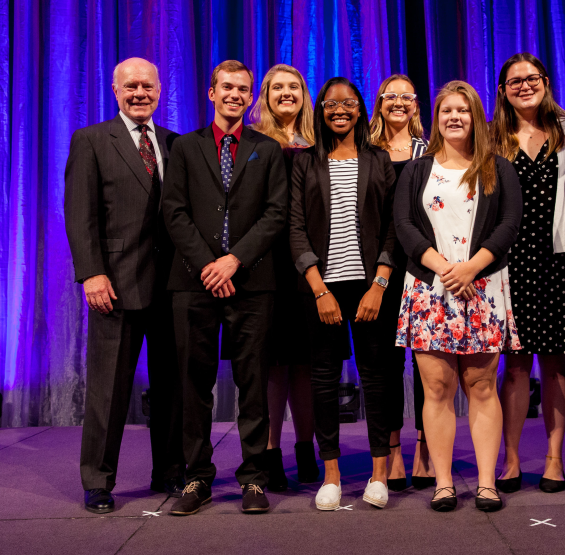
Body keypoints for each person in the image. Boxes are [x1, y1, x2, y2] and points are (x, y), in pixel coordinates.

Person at [162, 60, 288, 515]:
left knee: (252, 382)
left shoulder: (267, 149)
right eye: (227, 87)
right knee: (193, 383)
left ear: (251, 97)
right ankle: (197, 477)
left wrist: (234, 260)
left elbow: (276, 214)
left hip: (253, 282)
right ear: (211, 92)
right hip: (193, 283)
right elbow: (173, 211)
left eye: (244, 89)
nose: (235, 95)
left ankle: (254, 478)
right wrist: (208, 265)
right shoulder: (185, 147)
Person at [394, 81, 523, 512]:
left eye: (463, 111)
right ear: (437, 117)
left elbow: (509, 224)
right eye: (447, 110)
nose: (455, 117)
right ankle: (444, 482)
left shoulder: (498, 167)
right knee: (436, 387)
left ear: (475, 118)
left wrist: (471, 267)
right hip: (430, 290)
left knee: (482, 385)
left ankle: (487, 483)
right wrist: (442, 266)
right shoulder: (416, 170)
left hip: (482, 288)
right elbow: (404, 226)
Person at [65, 57, 185, 514]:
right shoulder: (92, 140)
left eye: (148, 86)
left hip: (171, 288)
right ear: (115, 90)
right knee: (108, 390)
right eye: (131, 86)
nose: (140, 93)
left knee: (171, 387)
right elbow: (80, 215)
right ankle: (97, 480)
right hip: (113, 285)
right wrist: (91, 272)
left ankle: (170, 471)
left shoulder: (175, 143)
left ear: (160, 90)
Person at [490, 53, 565, 494]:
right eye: (514, 81)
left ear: (546, 82)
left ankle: (555, 458)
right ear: (502, 90)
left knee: (555, 366)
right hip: (509, 268)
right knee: (515, 367)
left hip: (560, 264)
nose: (523, 86)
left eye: (531, 78)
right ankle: (512, 458)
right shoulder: (492, 139)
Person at [289, 77, 397, 511]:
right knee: (323, 378)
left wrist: (380, 284)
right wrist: (319, 290)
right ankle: (331, 473)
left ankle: (378, 473)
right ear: (320, 109)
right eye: (331, 104)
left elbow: (394, 225)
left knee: (376, 377)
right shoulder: (305, 163)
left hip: (373, 288)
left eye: (348, 103)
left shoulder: (379, 158)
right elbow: (294, 228)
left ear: (360, 110)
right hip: (322, 289)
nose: (339, 110)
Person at [248, 64, 319, 490]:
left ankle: (306, 448)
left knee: (307, 365)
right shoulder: (254, 143)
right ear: (266, 95)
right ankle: (270, 451)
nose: (286, 93)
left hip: (311, 268)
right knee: (272, 365)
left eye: (294, 86)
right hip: (267, 266)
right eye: (278, 87)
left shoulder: (320, 143)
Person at [368, 74, 434, 491]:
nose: (397, 102)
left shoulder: (433, 151)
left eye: (405, 96)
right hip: (380, 269)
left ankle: (425, 447)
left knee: (427, 364)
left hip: (424, 266)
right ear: (378, 103)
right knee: (384, 363)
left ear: (415, 105)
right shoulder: (366, 152)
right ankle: (391, 449)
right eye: (389, 96)